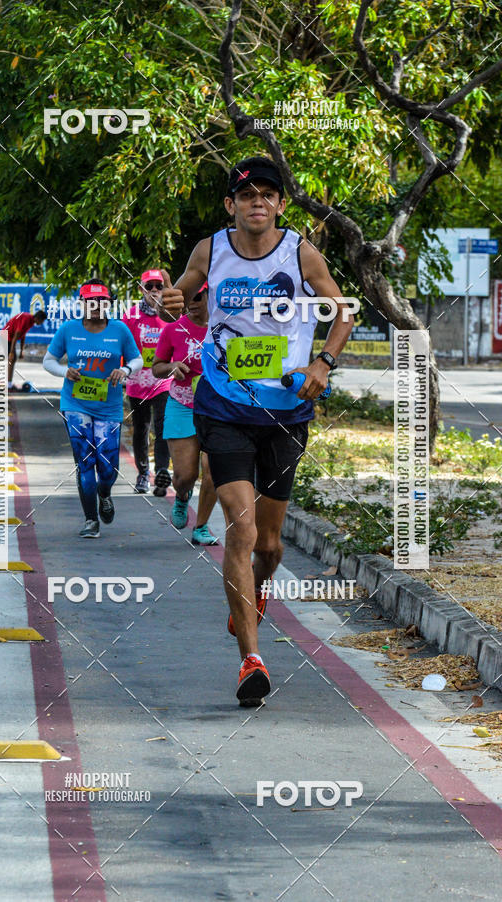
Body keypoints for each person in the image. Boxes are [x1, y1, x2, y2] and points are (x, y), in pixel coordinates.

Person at [158, 156, 354, 706]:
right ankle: (251, 659)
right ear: (231, 205)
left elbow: (344, 312)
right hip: (222, 408)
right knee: (240, 534)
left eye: (268, 194)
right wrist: (172, 301)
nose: (258, 203)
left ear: (281, 205)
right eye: (247, 195)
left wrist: (324, 364)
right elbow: (179, 303)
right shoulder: (209, 250)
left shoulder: (300, 252)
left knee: (269, 545)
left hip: (286, 413)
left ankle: (257, 590)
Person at [42, 280, 142, 537]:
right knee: (85, 461)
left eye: (101, 301)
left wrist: (125, 370)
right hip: (75, 404)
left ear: (109, 303)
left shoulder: (119, 330)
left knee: (108, 467)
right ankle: (90, 520)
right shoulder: (68, 329)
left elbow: (137, 358)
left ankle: (105, 492)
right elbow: (49, 360)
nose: (96, 306)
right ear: (82, 304)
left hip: (108, 407)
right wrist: (65, 371)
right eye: (90, 301)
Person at [152, 283, 218, 546]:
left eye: (197, 296)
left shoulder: (227, 327)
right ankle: (182, 496)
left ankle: (201, 526)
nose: (191, 301)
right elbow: (156, 367)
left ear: (209, 296)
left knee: (213, 472)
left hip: (218, 408)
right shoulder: (173, 329)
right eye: (186, 297)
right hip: (182, 404)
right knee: (185, 475)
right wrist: (172, 367)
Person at [122, 269, 173, 496]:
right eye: (149, 286)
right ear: (141, 289)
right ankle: (143, 474)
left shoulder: (171, 315)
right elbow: (121, 345)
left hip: (163, 381)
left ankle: (161, 473)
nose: (154, 290)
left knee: (163, 427)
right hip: (137, 382)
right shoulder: (130, 316)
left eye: (158, 286)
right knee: (141, 429)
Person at [3, 308, 47, 390]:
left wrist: (21, 351)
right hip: (6, 335)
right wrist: (12, 352)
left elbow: (22, 335)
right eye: (42, 321)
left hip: (10, 337)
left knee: (13, 359)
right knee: (11, 359)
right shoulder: (26, 318)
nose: (41, 323)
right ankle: (8, 385)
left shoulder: (31, 322)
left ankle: (9, 384)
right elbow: (17, 335)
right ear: (38, 318)